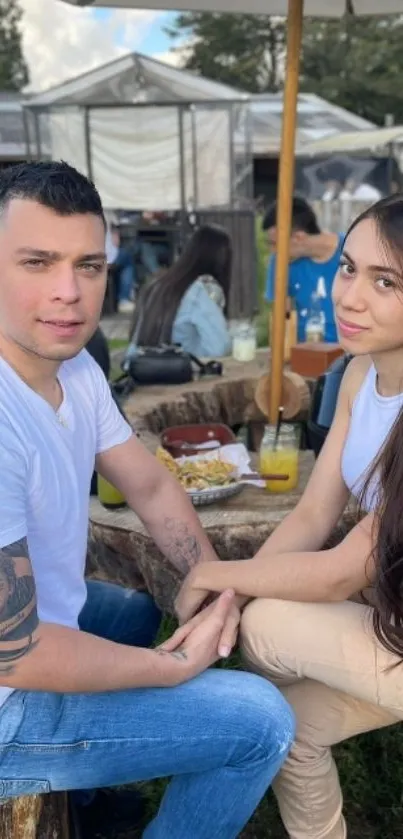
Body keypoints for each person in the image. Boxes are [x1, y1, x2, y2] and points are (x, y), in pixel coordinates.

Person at [0, 160, 295, 839]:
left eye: (89, 265)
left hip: (35, 640)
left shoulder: (73, 369)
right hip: (12, 706)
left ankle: (93, 800)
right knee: (261, 720)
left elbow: (153, 483)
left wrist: (213, 579)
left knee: (130, 607)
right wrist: (171, 666)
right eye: (37, 262)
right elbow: (16, 652)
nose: (69, 292)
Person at [175, 192, 403, 839]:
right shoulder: (360, 374)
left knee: (268, 622)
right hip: (387, 617)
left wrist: (225, 581)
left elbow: (335, 574)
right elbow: (310, 513)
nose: (349, 295)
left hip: (386, 622)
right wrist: (229, 589)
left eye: (384, 281)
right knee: (285, 724)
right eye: (347, 268)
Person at [126, 224, 232, 358]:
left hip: (139, 368)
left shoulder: (155, 284)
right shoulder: (199, 292)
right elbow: (220, 348)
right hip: (177, 373)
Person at [263, 195, 342, 343]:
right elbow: (282, 319)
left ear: (298, 238)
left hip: (352, 355)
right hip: (303, 352)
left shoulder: (353, 252)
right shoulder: (280, 263)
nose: (272, 251)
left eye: (274, 243)